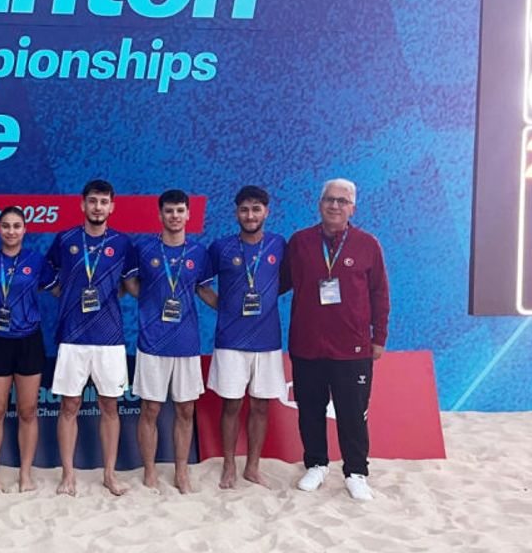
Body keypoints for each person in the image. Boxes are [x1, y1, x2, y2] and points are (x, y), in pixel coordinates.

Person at [283, 178, 390, 501]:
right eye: (329, 199)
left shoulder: (367, 244)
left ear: (352, 208)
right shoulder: (300, 242)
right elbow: (277, 283)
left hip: (352, 347)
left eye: (342, 201)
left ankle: (356, 471)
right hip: (307, 344)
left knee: (352, 413)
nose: (334, 205)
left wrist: (378, 337)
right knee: (310, 409)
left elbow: (380, 293)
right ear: (320, 204)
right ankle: (316, 464)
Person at [47, 179, 138, 496]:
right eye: (93, 201)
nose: (98, 207)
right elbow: (49, 276)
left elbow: (129, 285)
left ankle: (109, 474)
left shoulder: (123, 243)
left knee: (110, 406)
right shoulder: (65, 240)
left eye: (103, 202)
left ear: (112, 206)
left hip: (109, 338)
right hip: (72, 337)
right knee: (69, 406)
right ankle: (68, 475)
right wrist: (68, 298)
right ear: (82, 204)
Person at [125, 189, 213, 494]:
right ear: (160, 214)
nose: (174, 216)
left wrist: (230, 309)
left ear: (188, 214)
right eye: (169, 211)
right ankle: (150, 471)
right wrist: (149, 304)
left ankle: (181, 471)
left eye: (179, 210)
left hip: (186, 344)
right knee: (150, 409)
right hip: (152, 343)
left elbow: (203, 290)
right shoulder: (144, 248)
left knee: (185, 410)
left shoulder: (199, 252)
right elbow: (130, 282)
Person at [202, 185, 288, 488]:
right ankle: (229, 465)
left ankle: (252, 467)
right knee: (232, 405)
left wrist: (266, 297)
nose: (250, 215)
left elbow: (287, 281)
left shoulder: (278, 244)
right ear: (236, 213)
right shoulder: (221, 247)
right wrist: (223, 306)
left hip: (267, 341)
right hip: (231, 341)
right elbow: (200, 284)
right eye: (244, 209)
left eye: (256, 209)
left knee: (261, 406)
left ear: (266, 212)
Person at [0, 206, 57, 492]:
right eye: (6, 226)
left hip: (29, 341)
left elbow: (54, 289)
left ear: (25, 230)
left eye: (16, 226)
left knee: (28, 410)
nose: (11, 231)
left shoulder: (36, 261)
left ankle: (25, 474)